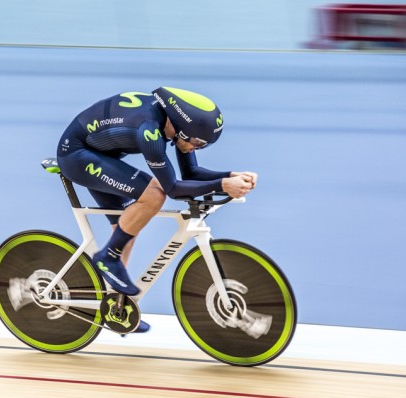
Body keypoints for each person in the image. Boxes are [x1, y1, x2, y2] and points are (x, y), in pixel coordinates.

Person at [56, 87, 257, 332]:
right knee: (154, 195)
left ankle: (116, 308)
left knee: (127, 227)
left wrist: (230, 176)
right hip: (77, 156)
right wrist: (223, 185)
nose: (197, 148)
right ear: (184, 129)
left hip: (98, 154)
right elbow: (171, 188)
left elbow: (191, 174)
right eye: (198, 142)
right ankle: (106, 258)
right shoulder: (150, 131)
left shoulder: (175, 127)